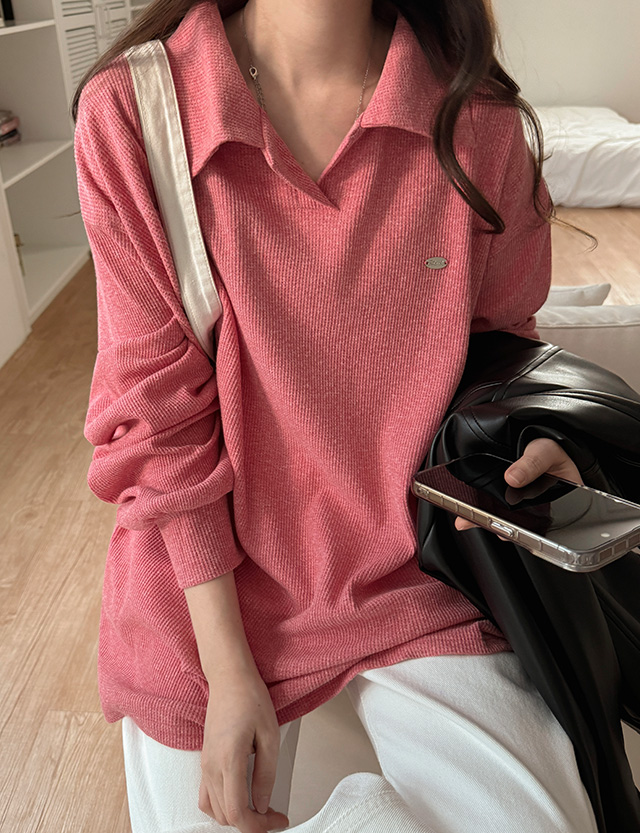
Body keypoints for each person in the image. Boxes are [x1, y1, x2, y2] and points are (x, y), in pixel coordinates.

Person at [71, 1, 600, 831]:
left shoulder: (478, 120)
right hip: (204, 600)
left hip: (425, 577)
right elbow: (155, 418)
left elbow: (502, 347)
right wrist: (229, 671)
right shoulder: (135, 111)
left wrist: (536, 434)